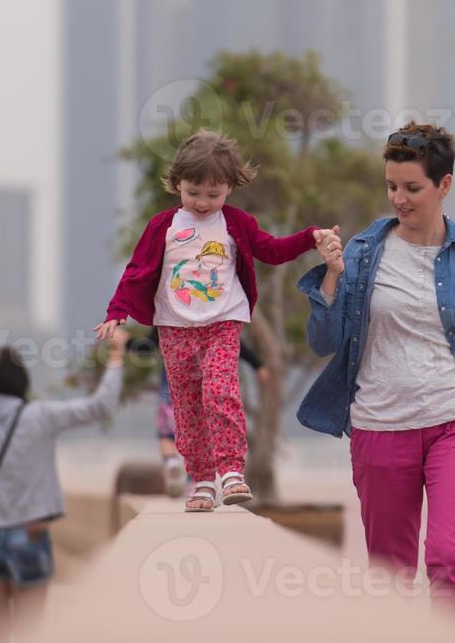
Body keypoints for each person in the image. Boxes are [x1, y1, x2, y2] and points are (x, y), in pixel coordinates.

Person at [295, 121, 455, 621]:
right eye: (392, 186)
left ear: (444, 185)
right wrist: (330, 278)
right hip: (381, 427)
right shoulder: (363, 255)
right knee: (389, 577)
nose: (399, 199)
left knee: (450, 559)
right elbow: (323, 342)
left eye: (412, 188)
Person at [94, 130, 336, 511]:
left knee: (219, 389)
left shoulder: (234, 223)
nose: (203, 202)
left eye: (214, 194)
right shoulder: (163, 226)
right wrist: (116, 312)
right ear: (176, 184)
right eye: (193, 192)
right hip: (174, 328)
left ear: (229, 189)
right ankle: (202, 481)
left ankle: (231, 471)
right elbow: (137, 271)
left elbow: (270, 251)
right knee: (187, 407)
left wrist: (310, 238)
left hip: (222, 323)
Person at [0, 328, 127, 642]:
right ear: (21, 382)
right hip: (29, 535)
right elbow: (99, 406)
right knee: (31, 634)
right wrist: (116, 357)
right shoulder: (39, 416)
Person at [128, 326, 272, 497]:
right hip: (207, 386)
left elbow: (146, 347)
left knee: (166, 434)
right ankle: (194, 483)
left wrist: (125, 341)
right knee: (201, 432)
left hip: (173, 386)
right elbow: (232, 341)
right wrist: (258, 365)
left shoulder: (168, 316)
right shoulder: (211, 317)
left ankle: (172, 462)